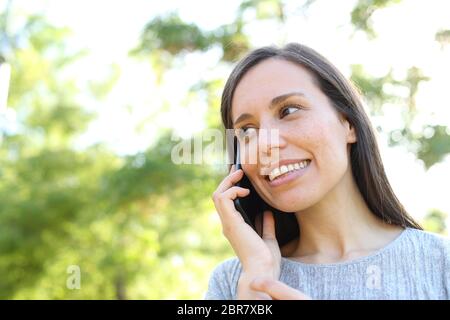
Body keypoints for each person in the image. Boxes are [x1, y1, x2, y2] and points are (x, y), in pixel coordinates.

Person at [205, 43, 450, 300]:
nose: (265, 144)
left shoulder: (440, 265)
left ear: (348, 124)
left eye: (288, 111)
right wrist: (256, 286)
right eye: (246, 130)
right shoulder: (231, 284)